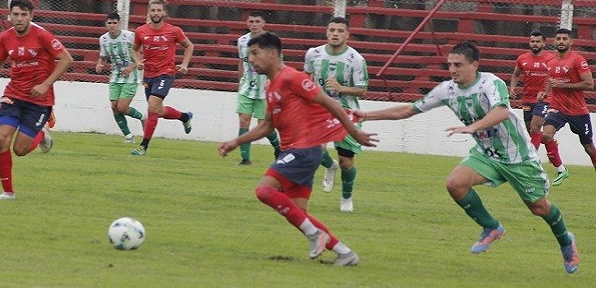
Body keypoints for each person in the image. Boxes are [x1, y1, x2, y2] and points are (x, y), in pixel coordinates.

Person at [359, 42, 580, 274]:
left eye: (458, 65)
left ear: (474, 65)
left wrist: (472, 127)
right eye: (450, 65)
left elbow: (502, 111)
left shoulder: (490, 83)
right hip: (487, 154)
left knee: (538, 207)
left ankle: (566, 242)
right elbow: (408, 110)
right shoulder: (447, 90)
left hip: (517, 156)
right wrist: (366, 115)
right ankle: (491, 227)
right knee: (455, 184)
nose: (453, 70)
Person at [218, 32, 377, 266]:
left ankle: (316, 236)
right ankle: (345, 253)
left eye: (255, 53)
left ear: (272, 54)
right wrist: (237, 141)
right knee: (299, 213)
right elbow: (267, 126)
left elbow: (329, 102)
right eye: (249, 54)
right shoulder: (272, 87)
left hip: (304, 150)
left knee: (264, 191)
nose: (251, 59)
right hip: (295, 152)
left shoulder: (292, 77)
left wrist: (354, 131)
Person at [0, 0, 73, 200]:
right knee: (2, 139)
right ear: (10, 16)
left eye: (24, 15)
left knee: (20, 150)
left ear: (31, 15)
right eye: (15, 14)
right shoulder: (5, 37)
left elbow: (66, 59)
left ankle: (42, 133)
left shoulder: (42, 36)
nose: (19, 18)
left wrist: (46, 84)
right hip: (13, 95)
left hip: (39, 100)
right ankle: (8, 192)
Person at [304, 17, 368, 212]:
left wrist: (341, 88)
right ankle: (329, 166)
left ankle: (346, 199)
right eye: (332, 30)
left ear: (347, 35)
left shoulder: (356, 59)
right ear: (326, 32)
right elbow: (306, 78)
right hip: (320, 110)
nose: (335, 34)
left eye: (340, 31)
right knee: (314, 151)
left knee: (346, 162)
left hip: (346, 112)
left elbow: (363, 89)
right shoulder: (313, 54)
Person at [130, 0, 194, 156]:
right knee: (156, 110)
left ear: (164, 13)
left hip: (165, 73)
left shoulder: (173, 31)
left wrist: (184, 64)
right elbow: (134, 49)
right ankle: (184, 117)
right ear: (149, 13)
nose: (156, 13)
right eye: (153, 10)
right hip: (148, 76)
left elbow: (189, 45)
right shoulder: (141, 31)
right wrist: (138, 61)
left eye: (159, 10)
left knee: (152, 105)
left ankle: (143, 147)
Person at [509, 31, 568, 185]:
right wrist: (512, 87)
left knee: (535, 129)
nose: (535, 44)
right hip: (527, 99)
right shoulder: (522, 58)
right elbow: (516, 74)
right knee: (535, 133)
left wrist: (549, 91)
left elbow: (555, 75)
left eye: (538, 42)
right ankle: (561, 168)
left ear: (543, 43)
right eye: (532, 41)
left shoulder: (550, 58)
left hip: (545, 99)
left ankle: (529, 164)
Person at [538, 28, 596, 172]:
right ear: (554, 41)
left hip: (577, 111)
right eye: (558, 39)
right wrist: (545, 93)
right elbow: (550, 79)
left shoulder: (577, 60)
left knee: (588, 147)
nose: (561, 41)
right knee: (546, 134)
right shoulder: (550, 60)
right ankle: (560, 170)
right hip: (557, 107)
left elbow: (589, 84)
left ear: (571, 42)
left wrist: (564, 85)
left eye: (564, 39)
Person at [235, 11, 281, 165]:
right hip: (247, 86)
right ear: (247, 24)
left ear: (263, 23)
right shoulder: (242, 41)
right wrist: (240, 81)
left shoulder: (271, 41)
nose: (254, 24)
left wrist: (274, 81)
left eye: (257, 21)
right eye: (251, 21)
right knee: (244, 120)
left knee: (264, 125)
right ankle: (245, 159)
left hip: (265, 88)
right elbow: (241, 62)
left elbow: (278, 64)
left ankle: (278, 147)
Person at [96, 12, 146, 144]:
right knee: (114, 106)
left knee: (122, 107)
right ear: (106, 24)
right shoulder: (103, 39)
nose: (112, 25)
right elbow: (103, 55)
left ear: (119, 24)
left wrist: (131, 66)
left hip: (131, 75)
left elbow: (142, 53)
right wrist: (100, 63)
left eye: (114, 23)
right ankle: (128, 136)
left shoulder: (129, 36)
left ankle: (142, 117)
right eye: (109, 23)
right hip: (115, 75)